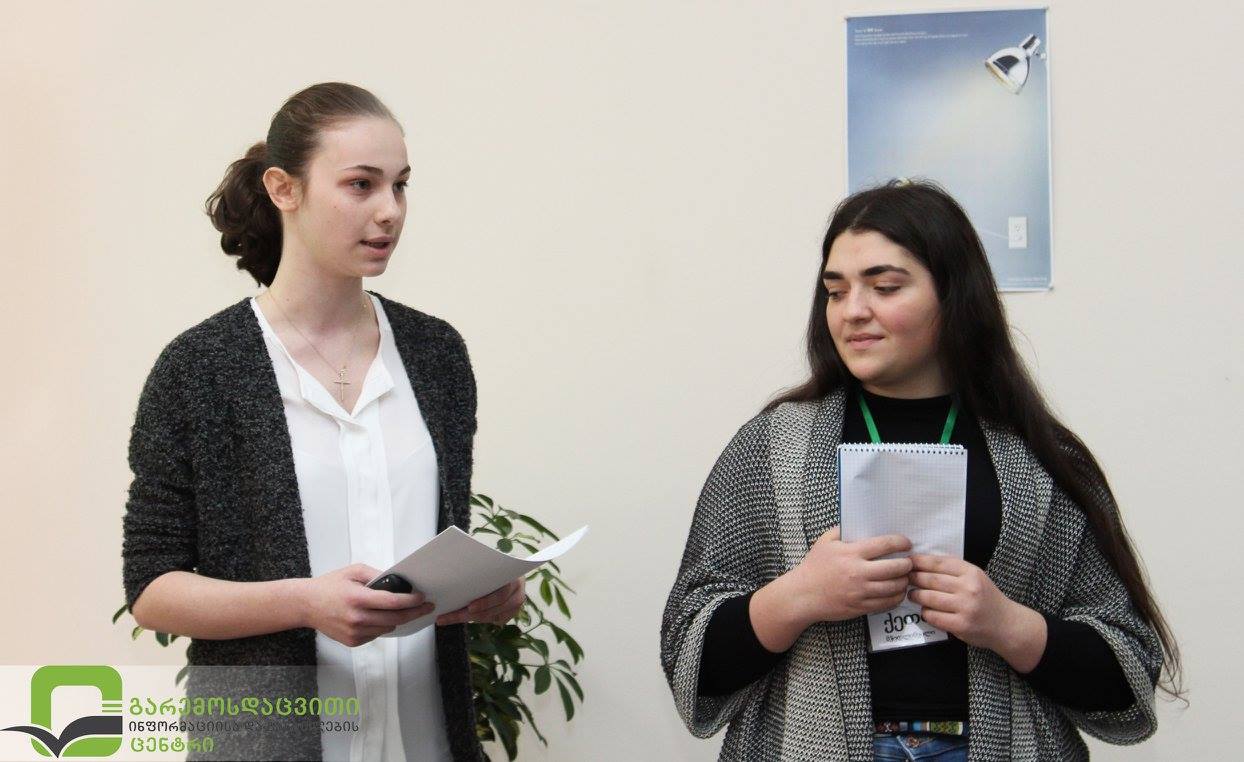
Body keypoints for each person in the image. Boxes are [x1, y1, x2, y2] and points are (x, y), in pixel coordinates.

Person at [660, 180, 1181, 760]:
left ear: (954, 295)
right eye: (836, 292)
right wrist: (798, 596)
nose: (853, 311)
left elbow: (1128, 675)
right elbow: (688, 655)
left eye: (884, 287)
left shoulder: (1039, 458)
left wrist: (1007, 625)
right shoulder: (771, 448)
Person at [121, 82, 523, 762]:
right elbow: (152, 589)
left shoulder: (437, 354)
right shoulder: (200, 368)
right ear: (284, 188)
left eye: (400, 185)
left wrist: (488, 587)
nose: (389, 210)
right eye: (361, 184)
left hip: (429, 740)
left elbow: (438, 538)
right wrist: (304, 603)